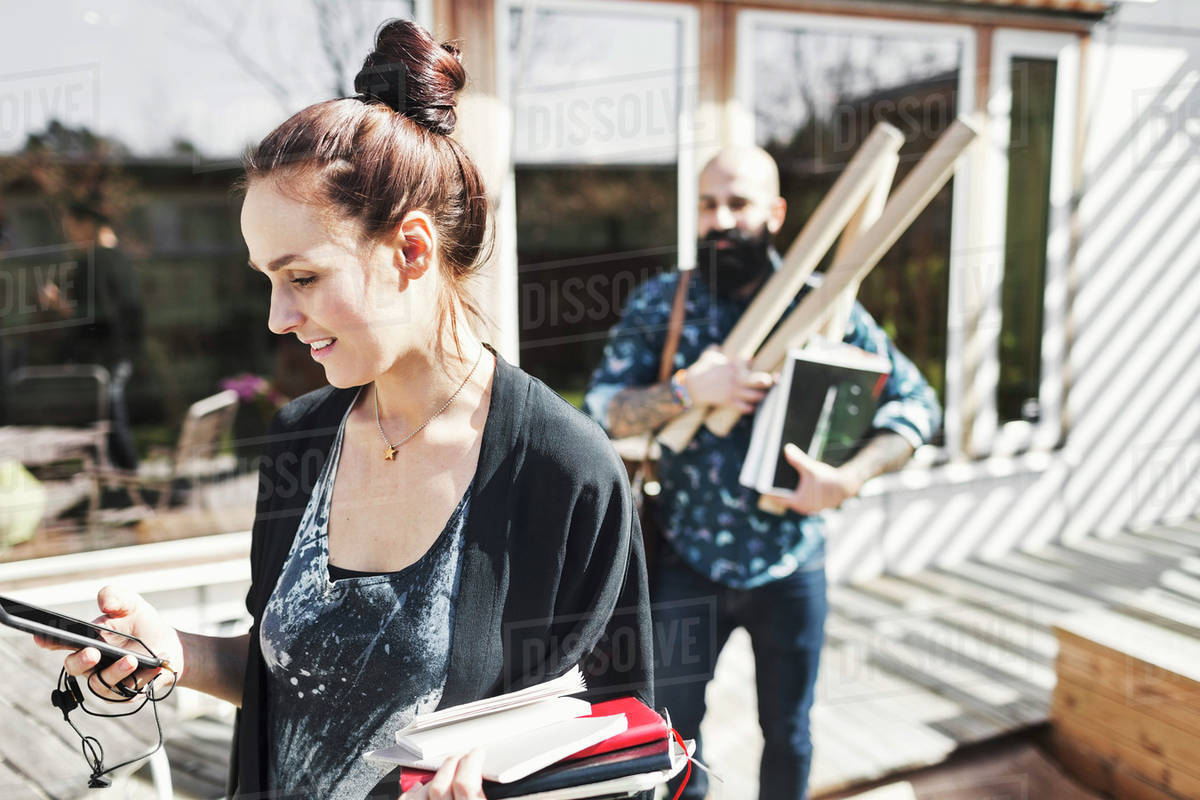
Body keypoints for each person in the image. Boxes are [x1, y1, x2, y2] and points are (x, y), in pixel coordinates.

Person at [39, 20, 652, 800]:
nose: (276, 317)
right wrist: (174, 653)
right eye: (267, 278)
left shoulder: (564, 472)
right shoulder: (302, 439)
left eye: (301, 276)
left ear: (412, 252)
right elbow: (292, 678)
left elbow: (628, 749)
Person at [585, 146, 941, 799]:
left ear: (775, 213)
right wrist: (691, 390)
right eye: (708, 203)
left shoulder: (825, 306)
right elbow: (603, 411)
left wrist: (851, 477)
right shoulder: (663, 303)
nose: (721, 218)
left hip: (790, 562)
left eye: (739, 203)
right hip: (684, 560)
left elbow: (917, 406)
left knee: (790, 732)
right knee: (674, 740)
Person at [39, 200, 144, 470]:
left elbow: (93, 317)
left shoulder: (92, 261)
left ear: (87, 224)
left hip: (101, 356)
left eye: (71, 228)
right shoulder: (121, 257)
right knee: (109, 416)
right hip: (123, 352)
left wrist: (58, 304)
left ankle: (125, 476)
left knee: (106, 419)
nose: (69, 235)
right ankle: (124, 478)